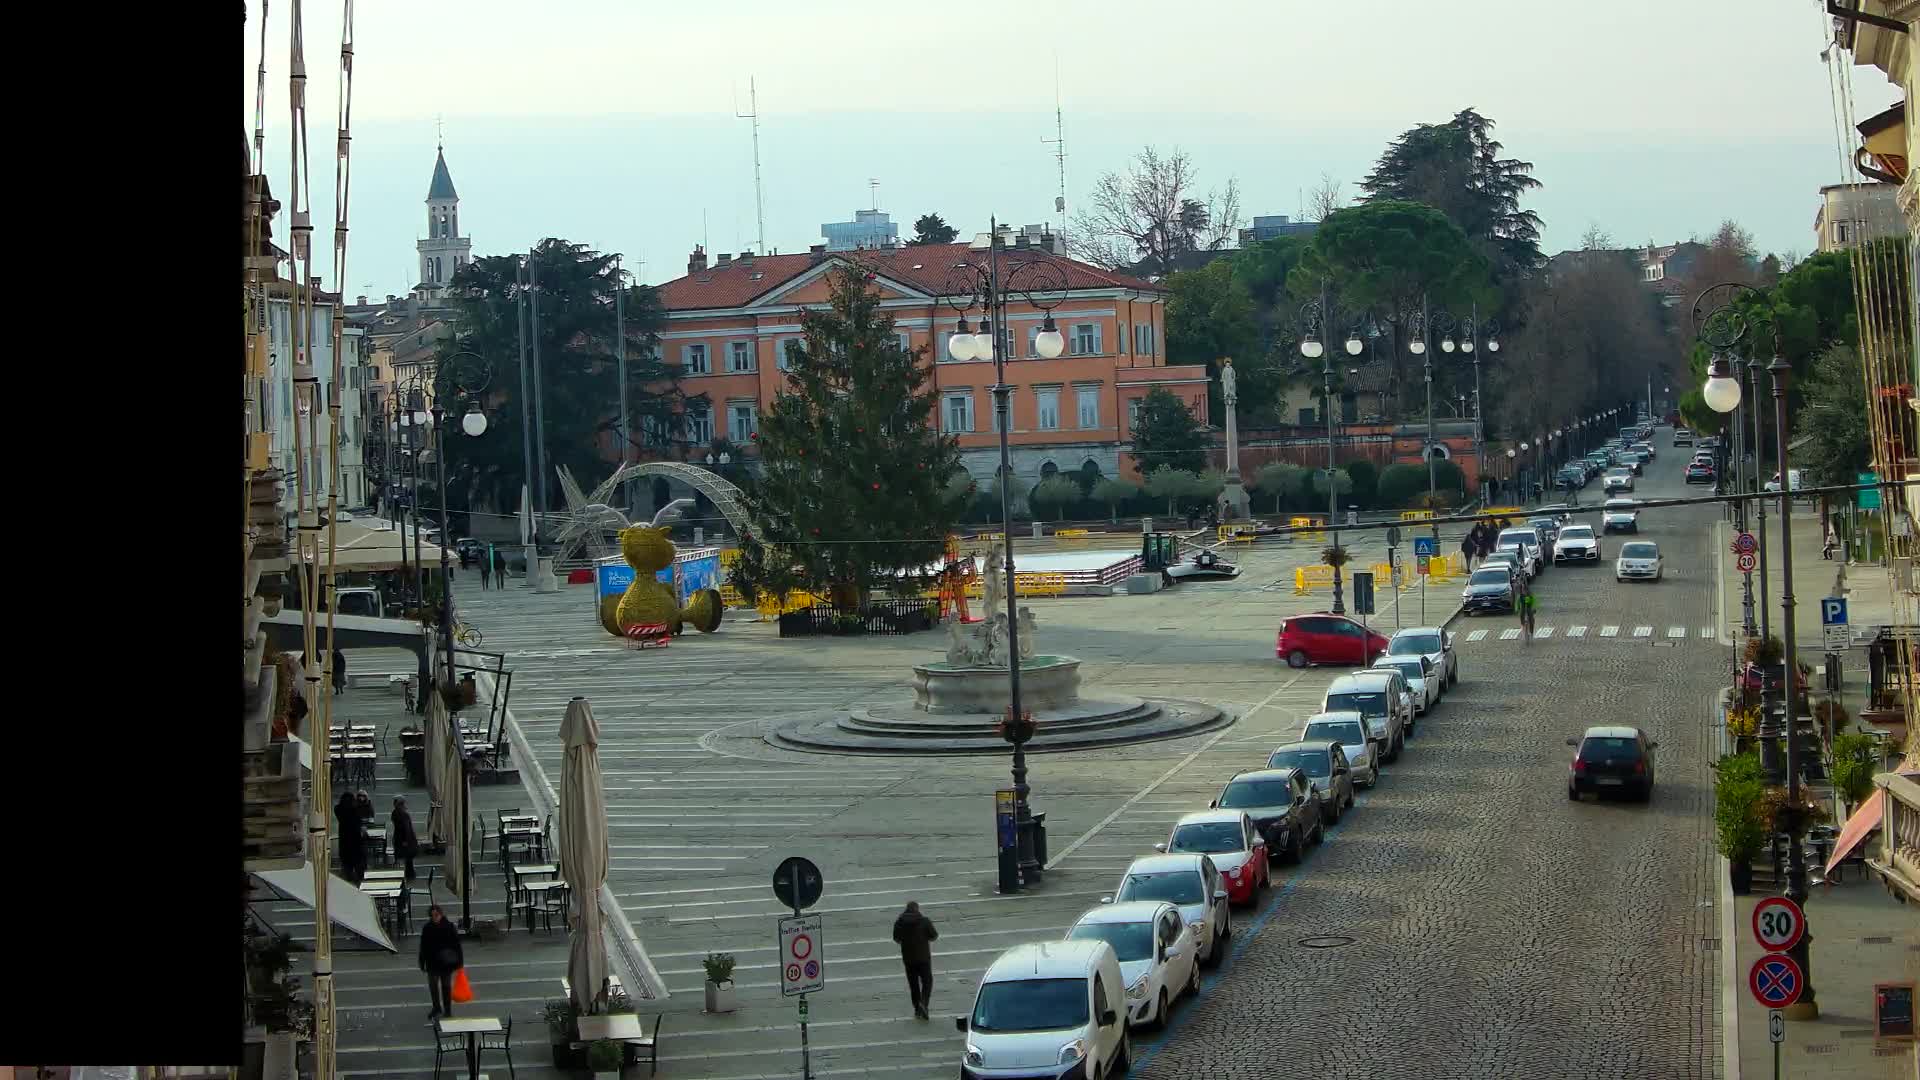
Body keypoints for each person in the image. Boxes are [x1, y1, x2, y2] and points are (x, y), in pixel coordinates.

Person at [891, 900, 939, 1019]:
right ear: (917, 909)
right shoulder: (924, 921)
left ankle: (917, 1008)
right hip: (923, 958)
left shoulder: (900, 922)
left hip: (908, 958)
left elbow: (896, 938)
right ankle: (924, 1003)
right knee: (927, 981)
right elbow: (934, 936)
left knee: (913, 984)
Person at [419, 905, 464, 1019]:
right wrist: (422, 961)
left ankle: (447, 1010)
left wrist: (459, 962)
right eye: (432, 916)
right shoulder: (427, 928)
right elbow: (423, 946)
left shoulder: (449, 926)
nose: (435, 918)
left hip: (446, 963)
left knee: (446, 987)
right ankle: (436, 1007)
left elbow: (456, 945)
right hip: (432, 963)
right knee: (433, 986)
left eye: (436, 915)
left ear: (441, 914)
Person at [335, 789, 366, 885]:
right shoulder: (355, 810)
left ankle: (348, 881)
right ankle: (359, 882)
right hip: (356, 841)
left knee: (347, 867)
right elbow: (360, 816)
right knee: (358, 867)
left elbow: (337, 807)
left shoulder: (339, 810)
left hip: (344, 842)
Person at [391, 796, 419, 881]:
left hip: (401, 838)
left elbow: (404, 828)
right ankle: (409, 874)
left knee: (406, 857)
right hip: (405, 839)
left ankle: (408, 873)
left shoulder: (396, 813)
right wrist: (406, 840)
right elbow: (406, 828)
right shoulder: (403, 814)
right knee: (408, 857)